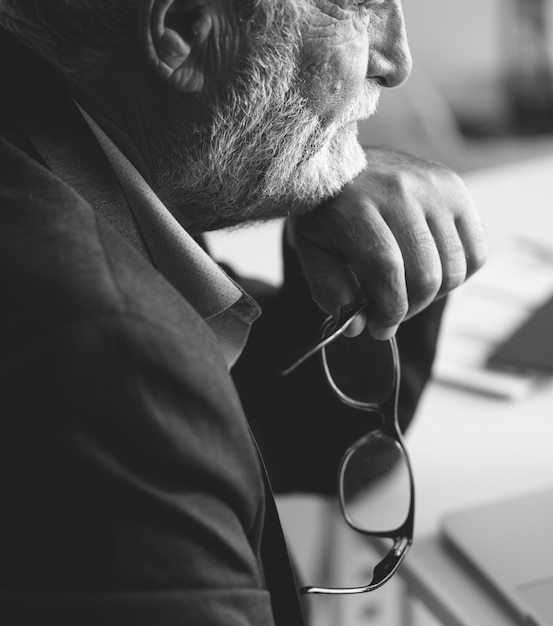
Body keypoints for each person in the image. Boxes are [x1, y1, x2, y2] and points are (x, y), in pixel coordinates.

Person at [0, 1, 487, 624]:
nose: (396, 61)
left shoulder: (73, 139)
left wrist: (371, 255)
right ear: (182, 28)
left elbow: (281, 431)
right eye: (356, 8)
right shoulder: (106, 356)